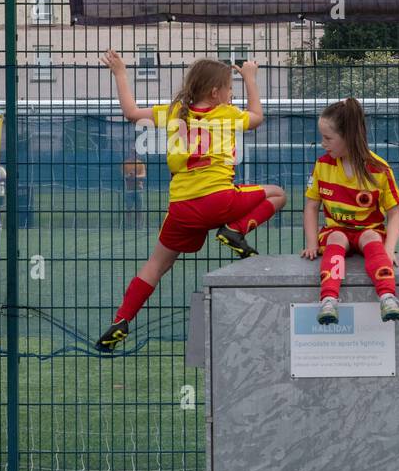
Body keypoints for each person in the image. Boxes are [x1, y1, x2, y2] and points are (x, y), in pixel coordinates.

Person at [95, 50, 285, 352]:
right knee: (278, 193)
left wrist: (120, 72)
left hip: (182, 209)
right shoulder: (227, 114)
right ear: (216, 92)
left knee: (155, 266)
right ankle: (235, 230)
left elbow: (130, 113)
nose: (231, 94)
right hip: (219, 202)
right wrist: (250, 78)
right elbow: (258, 117)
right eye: (230, 88)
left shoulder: (174, 111)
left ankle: (121, 319)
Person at [300, 98, 399, 323]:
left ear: (349, 137)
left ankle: (387, 296)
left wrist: (390, 248)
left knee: (371, 237)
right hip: (336, 230)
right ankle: (328, 300)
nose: (323, 143)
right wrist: (311, 243)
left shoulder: (379, 169)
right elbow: (311, 206)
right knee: (336, 236)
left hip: (370, 230)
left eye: (328, 138)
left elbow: (395, 214)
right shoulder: (322, 165)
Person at [121, 148, 148, 230]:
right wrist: (128, 176)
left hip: (139, 190)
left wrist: (135, 177)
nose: (133, 154)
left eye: (135, 153)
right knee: (129, 208)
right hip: (129, 190)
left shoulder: (141, 164)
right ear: (129, 153)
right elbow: (123, 176)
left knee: (139, 209)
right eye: (132, 153)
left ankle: (139, 226)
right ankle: (128, 225)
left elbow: (143, 175)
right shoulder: (125, 163)